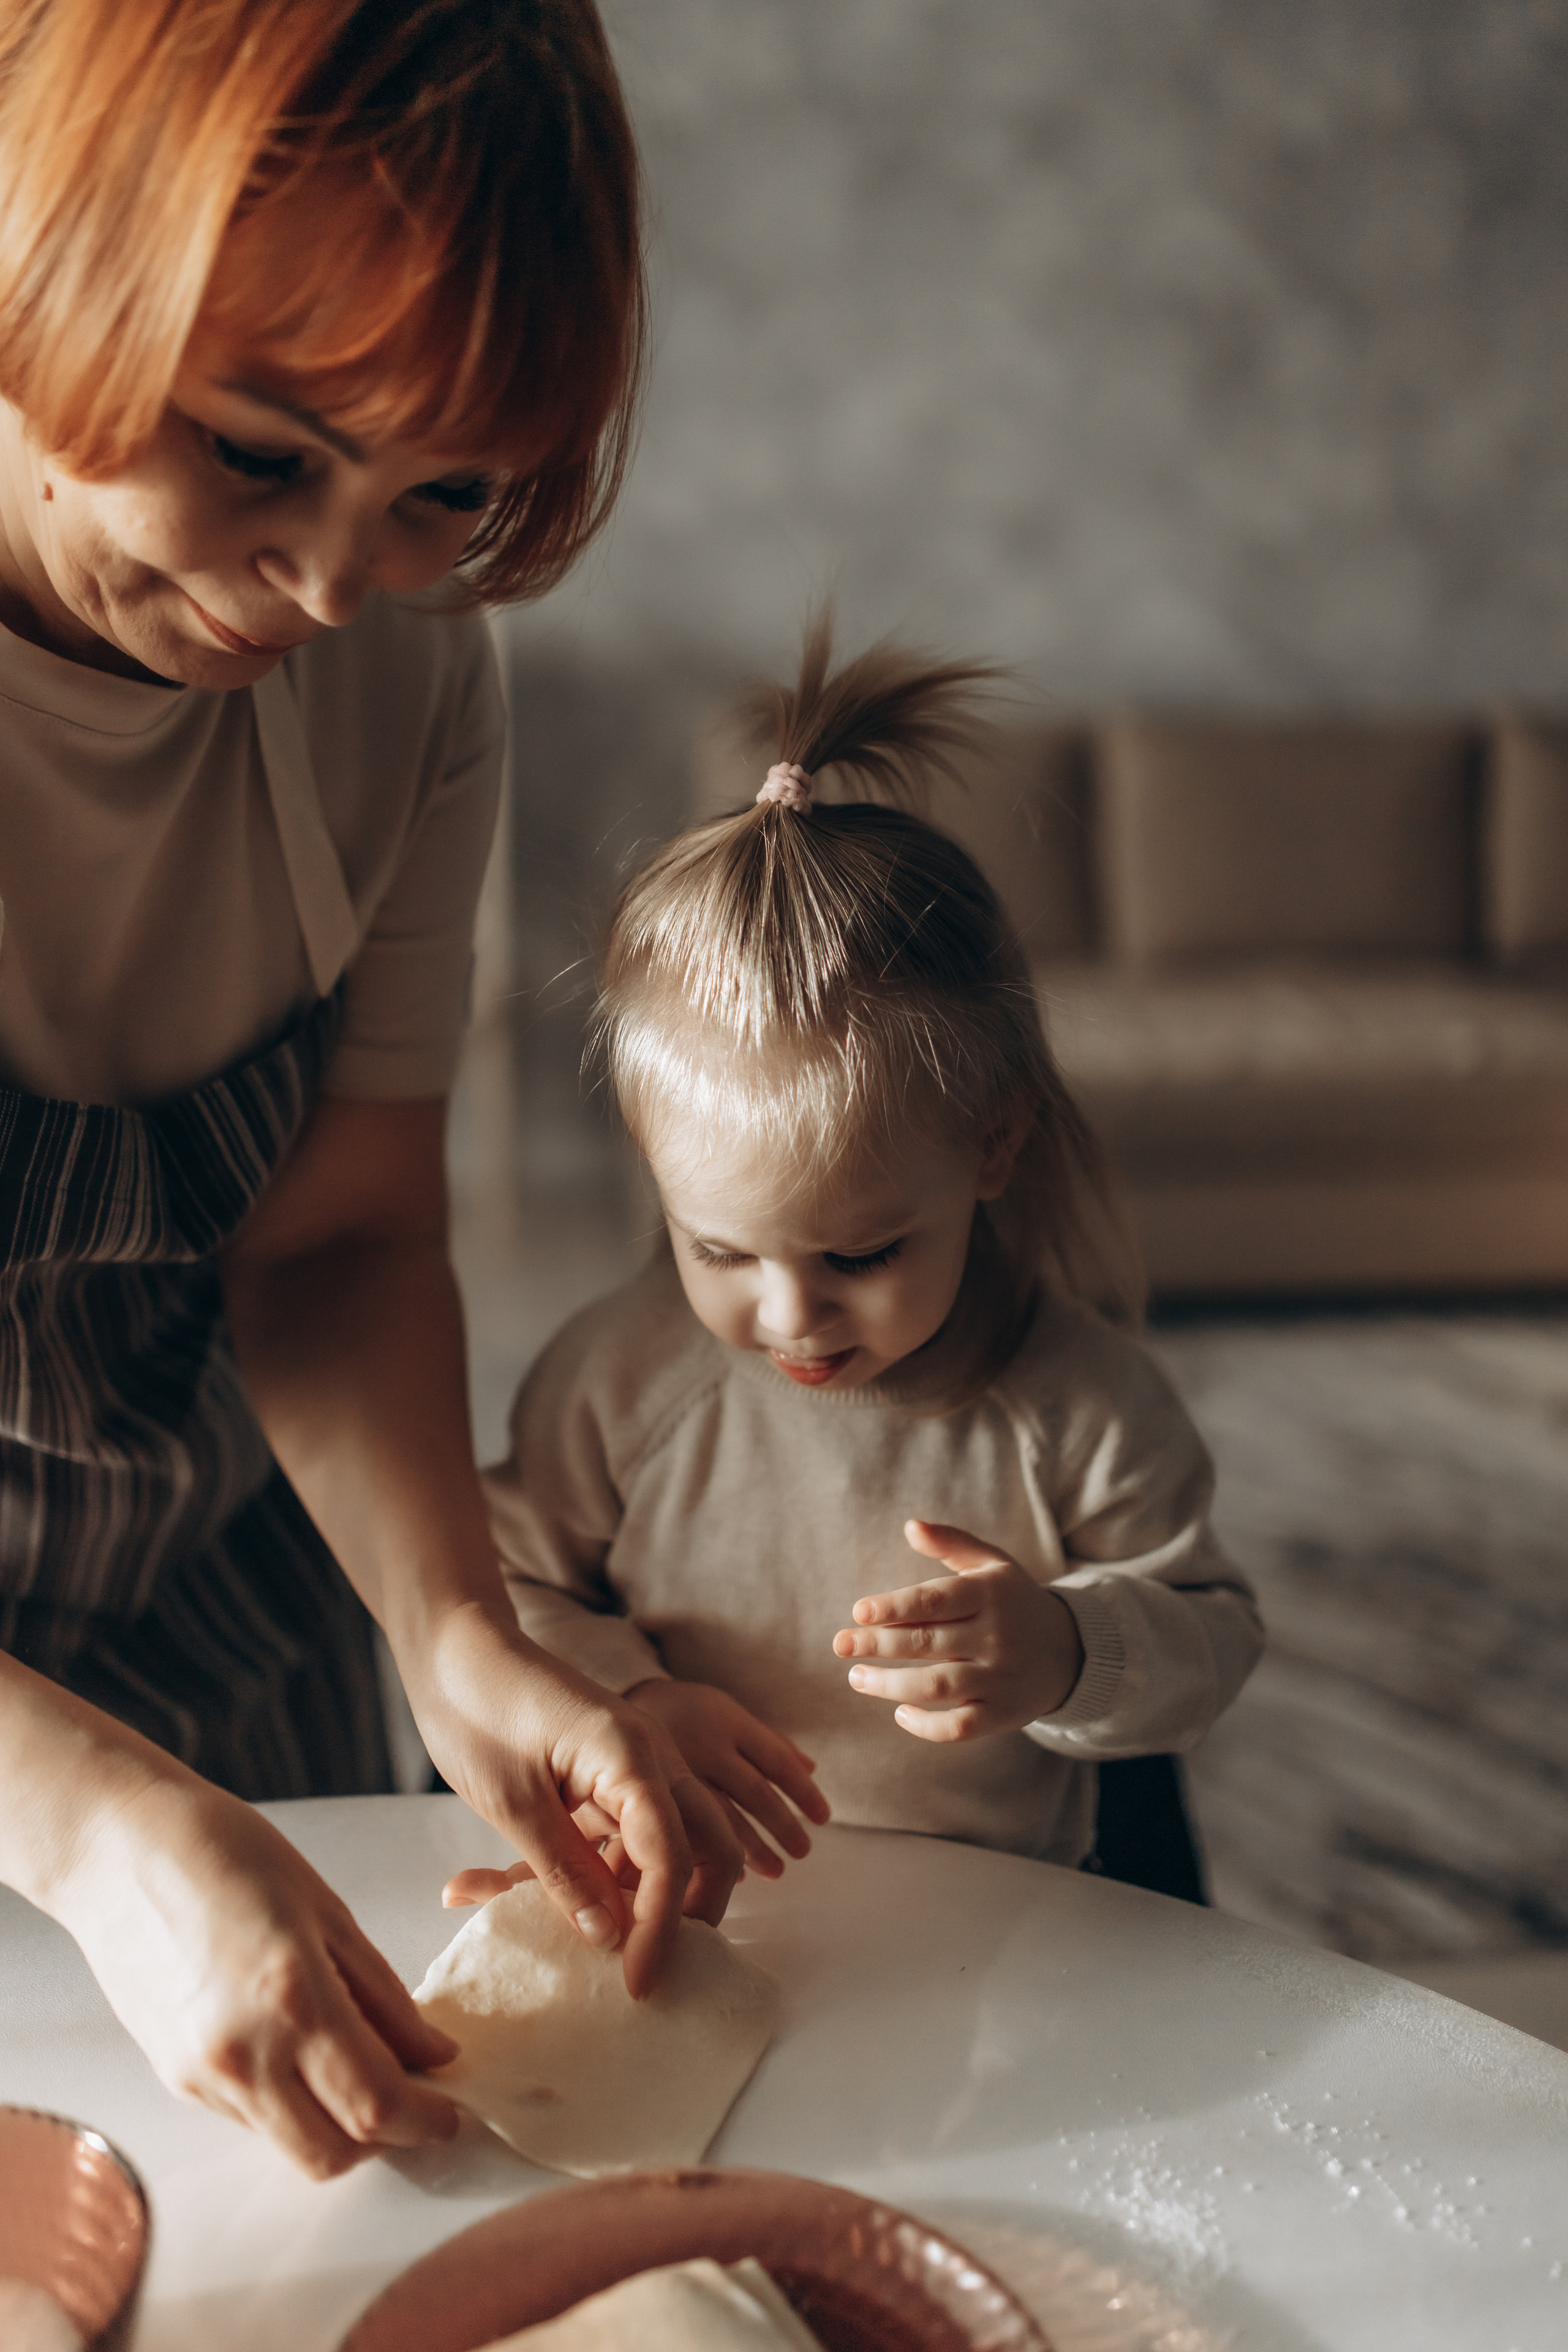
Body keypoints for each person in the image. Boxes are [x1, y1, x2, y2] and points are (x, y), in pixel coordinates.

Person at [0, 0, 742, 2183]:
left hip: (235, 1638)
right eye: (254, 446)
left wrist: (457, 1640)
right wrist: (100, 1827)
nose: (329, 584)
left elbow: (329, 1238)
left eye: (445, 495)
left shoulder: (405, 673)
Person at [471, 626, 1264, 1890]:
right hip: (707, 1898)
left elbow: (1211, 1645)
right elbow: (493, 1586)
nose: (791, 1316)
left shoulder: (1081, 1406)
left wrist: (1063, 1651)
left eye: (860, 1251)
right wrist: (621, 1698)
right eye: (719, 1248)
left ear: (991, 1145)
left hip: (997, 1925)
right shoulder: (617, 1384)